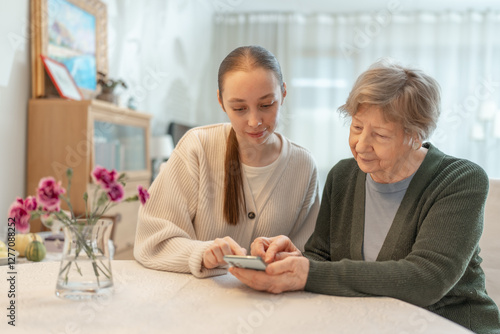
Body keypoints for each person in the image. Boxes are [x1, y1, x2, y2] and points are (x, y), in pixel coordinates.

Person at [229, 59, 500, 333]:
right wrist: (294, 259)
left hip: (450, 326)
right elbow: (322, 258)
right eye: (357, 127)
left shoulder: (460, 180)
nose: (361, 145)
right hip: (370, 324)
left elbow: (425, 280)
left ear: (415, 136)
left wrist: (307, 273)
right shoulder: (343, 176)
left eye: (380, 135)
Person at [134, 45, 320, 278]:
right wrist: (202, 253)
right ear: (221, 102)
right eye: (239, 108)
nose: (254, 121)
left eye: (266, 105)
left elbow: (310, 254)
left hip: (273, 302)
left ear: (283, 93)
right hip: (199, 303)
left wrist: (284, 256)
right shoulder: (197, 147)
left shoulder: (303, 165)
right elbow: (151, 242)